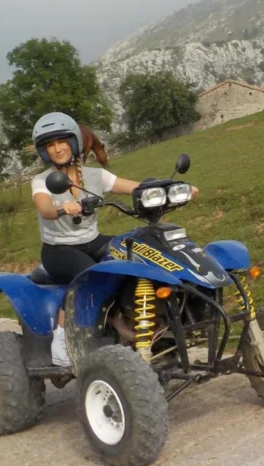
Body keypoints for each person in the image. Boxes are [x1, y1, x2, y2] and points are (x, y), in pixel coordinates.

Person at [30, 112, 197, 367]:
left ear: (73, 142)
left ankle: (142, 323)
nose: (57, 149)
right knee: (88, 276)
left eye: (61, 142)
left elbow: (134, 186)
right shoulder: (42, 181)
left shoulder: (95, 176)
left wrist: (172, 189)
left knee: (136, 252)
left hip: (91, 240)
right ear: (45, 151)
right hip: (58, 249)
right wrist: (65, 208)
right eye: (50, 145)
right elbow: (45, 208)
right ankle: (62, 341)